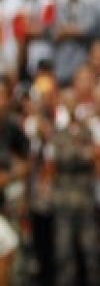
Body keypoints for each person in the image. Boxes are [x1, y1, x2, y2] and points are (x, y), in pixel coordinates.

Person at [48, 91, 100, 286]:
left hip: (84, 197)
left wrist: (79, 155)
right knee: (64, 251)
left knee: (90, 249)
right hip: (64, 198)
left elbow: (94, 156)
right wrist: (79, 154)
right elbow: (59, 158)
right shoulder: (58, 133)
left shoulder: (87, 131)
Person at [0, 78, 28, 286]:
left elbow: (26, 162)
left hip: (9, 199)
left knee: (12, 248)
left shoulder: (13, 127)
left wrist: (10, 176)